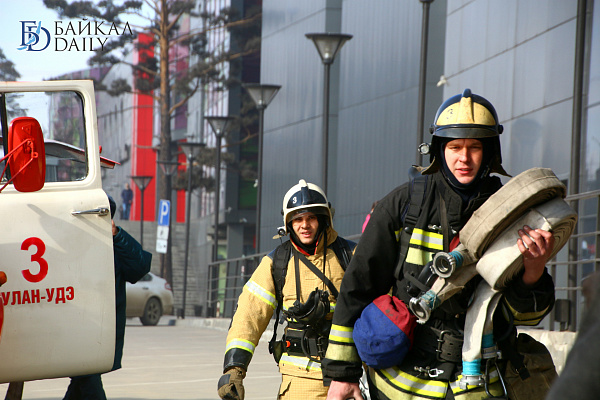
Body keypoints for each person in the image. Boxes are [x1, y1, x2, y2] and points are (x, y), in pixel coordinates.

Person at [322, 89, 556, 400]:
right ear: (438, 149)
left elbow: (527, 317)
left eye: (475, 147)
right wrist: (342, 374)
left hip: (481, 384)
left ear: (490, 151)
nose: (464, 158)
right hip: (401, 387)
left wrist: (533, 271)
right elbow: (357, 289)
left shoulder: (512, 213)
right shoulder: (403, 205)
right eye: (455, 146)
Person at [217, 179, 355, 400]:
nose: (304, 225)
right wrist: (234, 370)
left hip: (349, 378)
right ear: (288, 223)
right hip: (299, 382)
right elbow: (248, 316)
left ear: (323, 218)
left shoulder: (351, 256)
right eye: (297, 219)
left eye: (310, 218)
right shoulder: (277, 263)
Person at [63, 194, 152, 400]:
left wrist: (116, 235)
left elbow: (139, 268)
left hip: (101, 327)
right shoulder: (69, 242)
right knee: (85, 377)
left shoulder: (113, 244)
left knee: (84, 377)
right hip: (76, 325)